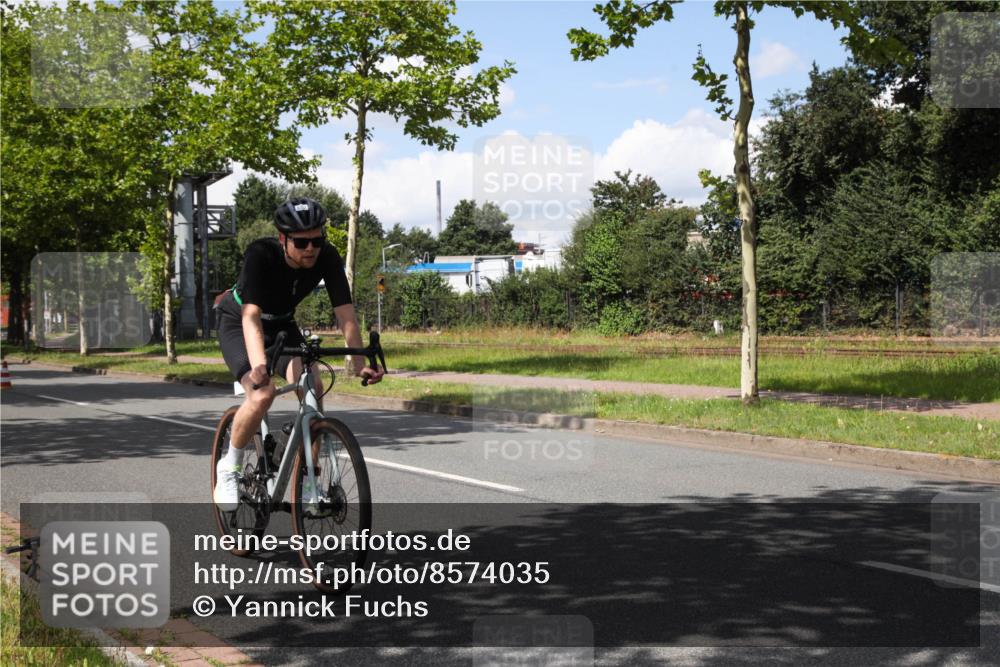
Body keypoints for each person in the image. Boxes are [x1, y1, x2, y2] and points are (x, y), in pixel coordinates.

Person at [213, 197, 384, 510]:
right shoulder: (260, 255)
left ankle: (307, 482)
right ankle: (230, 466)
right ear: (283, 239)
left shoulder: (327, 257)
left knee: (313, 388)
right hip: (239, 324)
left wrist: (359, 364)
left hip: (281, 326)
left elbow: (346, 315)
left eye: (316, 241)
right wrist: (260, 367)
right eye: (302, 242)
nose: (310, 249)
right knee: (262, 394)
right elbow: (250, 316)